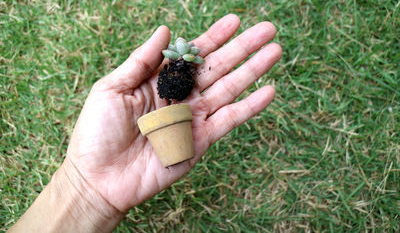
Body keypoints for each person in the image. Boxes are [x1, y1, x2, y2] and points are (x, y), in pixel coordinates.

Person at [8, 14, 282, 232]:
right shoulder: (174, 66)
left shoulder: (186, 64)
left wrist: (84, 194)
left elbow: (189, 59)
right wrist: (85, 190)